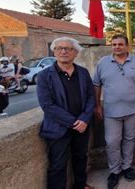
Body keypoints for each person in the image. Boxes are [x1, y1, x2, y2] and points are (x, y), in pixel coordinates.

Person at [36, 37, 95, 189]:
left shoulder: (82, 72)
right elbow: (47, 105)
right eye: (59, 48)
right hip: (58, 127)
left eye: (68, 49)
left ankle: (80, 185)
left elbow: (90, 97)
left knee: (81, 158)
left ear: (75, 53)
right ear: (54, 51)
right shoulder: (44, 76)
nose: (63, 51)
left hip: (82, 125)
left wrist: (84, 119)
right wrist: (74, 122)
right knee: (58, 164)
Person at [93, 34, 135, 189]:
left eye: (120, 44)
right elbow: (96, 85)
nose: (117, 47)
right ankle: (114, 171)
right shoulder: (103, 63)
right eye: (114, 44)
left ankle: (127, 167)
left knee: (130, 139)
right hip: (111, 111)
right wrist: (97, 106)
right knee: (112, 142)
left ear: (127, 46)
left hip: (133, 109)